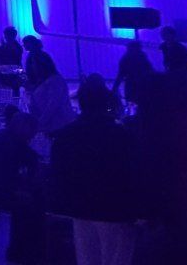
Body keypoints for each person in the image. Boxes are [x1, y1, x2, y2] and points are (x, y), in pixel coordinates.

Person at [48, 78, 142, 265]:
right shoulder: (121, 135)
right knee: (115, 258)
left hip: (80, 208)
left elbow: (58, 173)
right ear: (106, 102)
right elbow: (133, 173)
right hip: (114, 209)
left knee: (87, 258)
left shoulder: (65, 135)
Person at [0, 110, 44, 264]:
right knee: (33, 206)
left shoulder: (1, 137)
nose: (32, 137)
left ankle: (19, 251)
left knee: (29, 202)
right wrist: (21, 189)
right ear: (24, 128)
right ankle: (27, 252)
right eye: (32, 132)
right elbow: (4, 176)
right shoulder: (12, 143)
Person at [26, 53, 74, 135]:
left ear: (42, 65)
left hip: (59, 126)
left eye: (34, 64)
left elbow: (53, 104)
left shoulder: (55, 80)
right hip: (50, 126)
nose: (32, 67)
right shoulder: (43, 81)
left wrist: (40, 122)